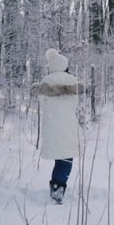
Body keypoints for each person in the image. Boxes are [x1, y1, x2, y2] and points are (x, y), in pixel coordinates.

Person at [31, 48, 84, 203]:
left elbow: (43, 104)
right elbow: (75, 104)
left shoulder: (45, 82)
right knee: (67, 159)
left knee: (59, 159)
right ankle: (58, 188)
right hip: (68, 125)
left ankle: (56, 186)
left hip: (52, 126)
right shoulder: (73, 81)